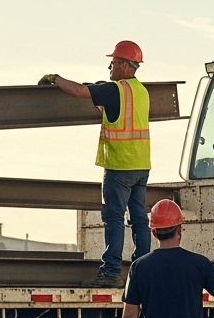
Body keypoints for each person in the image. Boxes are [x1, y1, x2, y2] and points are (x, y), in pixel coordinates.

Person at [38, 40, 151, 287]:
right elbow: (111, 107)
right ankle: (144, 268)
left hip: (119, 166)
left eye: (112, 62)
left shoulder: (115, 90)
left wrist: (55, 79)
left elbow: (80, 92)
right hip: (141, 166)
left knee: (114, 218)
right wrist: (97, 89)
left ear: (123, 64)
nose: (110, 66)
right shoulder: (140, 91)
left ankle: (111, 272)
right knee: (139, 219)